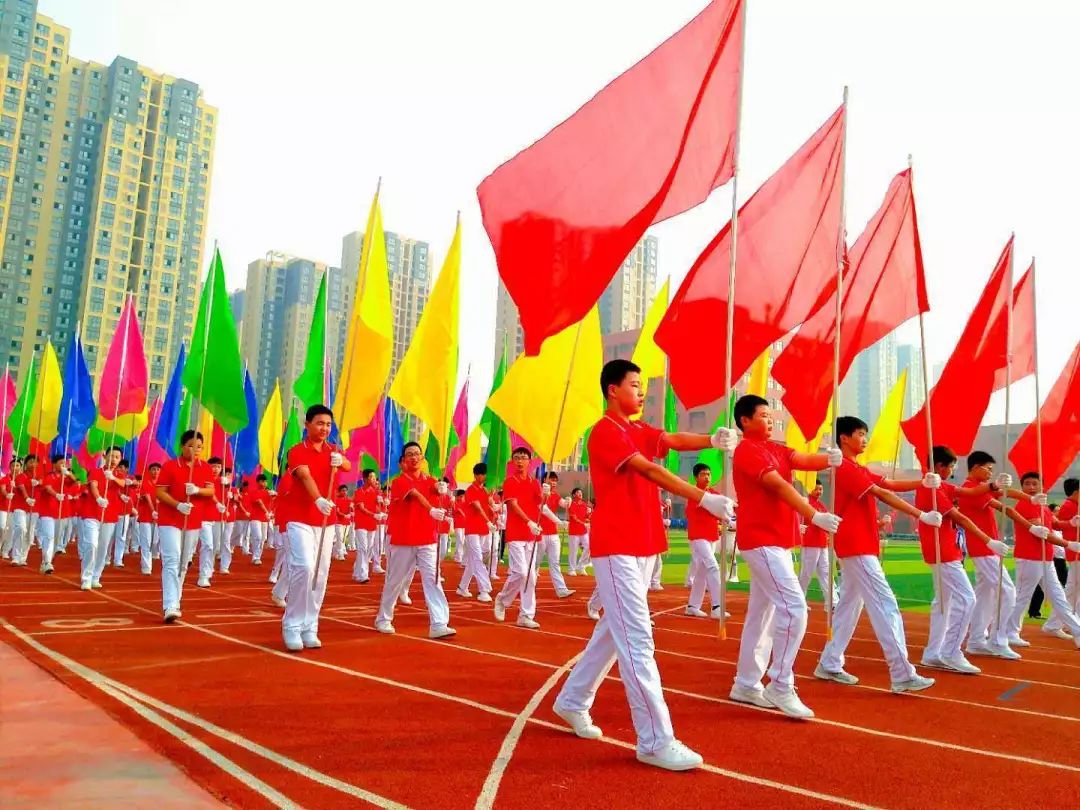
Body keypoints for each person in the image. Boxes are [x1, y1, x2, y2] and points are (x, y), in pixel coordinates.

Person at [552, 359, 738, 772]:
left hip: (641, 545)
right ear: (612, 390)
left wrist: (713, 437)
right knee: (637, 639)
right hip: (616, 546)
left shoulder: (638, 430)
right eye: (634, 385)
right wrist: (703, 497)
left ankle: (572, 700)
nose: (641, 392)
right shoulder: (604, 432)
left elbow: (670, 440)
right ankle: (654, 739)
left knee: (611, 633)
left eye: (641, 386)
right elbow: (651, 469)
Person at [726, 395, 843, 719]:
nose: (769, 420)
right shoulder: (747, 451)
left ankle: (747, 683)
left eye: (770, 416)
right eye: (763, 415)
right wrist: (812, 515)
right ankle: (781, 682)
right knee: (794, 608)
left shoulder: (777, 449)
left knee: (761, 617)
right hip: (761, 540)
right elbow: (777, 485)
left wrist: (831, 458)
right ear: (745, 420)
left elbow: (803, 460)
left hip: (776, 542)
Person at [816, 416, 942, 693]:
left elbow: (890, 485)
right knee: (885, 603)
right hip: (856, 545)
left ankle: (829, 661)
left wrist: (924, 482)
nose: (864, 439)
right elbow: (881, 494)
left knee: (849, 606)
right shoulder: (844, 468)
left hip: (859, 544)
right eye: (860, 434)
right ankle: (902, 672)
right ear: (844, 438)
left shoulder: (857, 468)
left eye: (865, 433)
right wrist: (920, 514)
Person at [915, 446, 1003, 675]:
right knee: (967, 598)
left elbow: (968, 493)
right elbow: (959, 517)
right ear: (939, 466)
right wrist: (987, 540)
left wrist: (993, 486)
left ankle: (933, 652)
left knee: (943, 604)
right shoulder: (932, 489)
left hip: (946, 550)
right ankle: (951, 652)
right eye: (951, 465)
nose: (953, 470)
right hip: (942, 552)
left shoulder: (941, 486)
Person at [278, 405, 350, 651]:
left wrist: (341, 460)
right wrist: (318, 499)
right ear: (307, 425)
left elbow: (350, 467)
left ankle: (311, 626)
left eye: (328, 425)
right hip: (299, 517)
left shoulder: (333, 451)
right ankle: (292, 625)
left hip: (325, 521)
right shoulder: (297, 451)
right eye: (320, 423)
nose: (324, 428)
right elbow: (305, 476)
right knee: (304, 567)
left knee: (320, 573)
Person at [374, 442, 454, 638]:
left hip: (427, 539)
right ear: (403, 460)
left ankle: (439, 623)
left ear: (422, 459)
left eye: (417, 454)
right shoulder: (399, 481)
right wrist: (431, 510)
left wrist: (443, 488)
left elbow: (437, 489)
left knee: (433, 580)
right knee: (395, 581)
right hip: (403, 539)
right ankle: (383, 618)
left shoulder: (430, 480)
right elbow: (416, 495)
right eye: (410, 454)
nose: (414, 457)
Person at [955, 451, 1030, 659]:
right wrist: (997, 486)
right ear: (975, 468)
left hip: (988, 547)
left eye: (991, 470)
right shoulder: (970, 488)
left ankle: (977, 640)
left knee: (985, 595)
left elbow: (1006, 495)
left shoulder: (980, 490)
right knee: (1007, 592)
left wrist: (1031, 498)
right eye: (987, 468)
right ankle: (998, 640)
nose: (990, 472)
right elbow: (1000, 502)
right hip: (983, 547)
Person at [1005, 472, 1080, 648]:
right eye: (1027, 484)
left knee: (1059, 596)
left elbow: (1054, 524)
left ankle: (1077, 631)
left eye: (1035, 484)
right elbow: (1043, 534)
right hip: (1029, 558)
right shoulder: (1025, 505)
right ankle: (1010, 632)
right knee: (1022, 597)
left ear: (1042, 487)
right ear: (1022, 487)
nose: (1031, 487)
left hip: (1045, 558)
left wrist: (1071, 523)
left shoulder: (1042, 506)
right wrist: (1068, 543)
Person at [155, 430, 215, 623]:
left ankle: (176, 599)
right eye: (191, 446)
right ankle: (170, 605)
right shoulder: (170, 466)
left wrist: (197, 490)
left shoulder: (205, 468)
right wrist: (178, 505)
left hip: (193, 520)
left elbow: (211, 490)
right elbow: (160, 492)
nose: (195, 450)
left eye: (199, 447)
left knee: (183, 563)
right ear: (182, 446)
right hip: (170, 519)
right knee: (171, 559)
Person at [494, 447, 545, 629]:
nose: (520, 461)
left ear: (529, 461)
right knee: (521, 572)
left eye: (523, 458)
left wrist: (545, 494)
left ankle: (525, 615)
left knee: (531, 576)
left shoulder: (534, 482)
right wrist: (529, 522)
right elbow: (513, 505)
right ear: (512, 461)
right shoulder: (510, 482)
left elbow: (540, 504)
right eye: (517, 458)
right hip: (516, 533)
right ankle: (503, 599)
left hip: (531, 536)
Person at [683, 463, 728, 620]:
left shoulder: (714, 494)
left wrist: (728, 516)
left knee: (702, 572)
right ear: (696, 477)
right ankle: (717, 606)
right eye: (703, 474)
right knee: (712, 567)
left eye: (708, 474)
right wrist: (717, 504)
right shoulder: (693, 493)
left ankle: (692, 606)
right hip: (698, 536)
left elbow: (721, 511)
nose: (707, 477)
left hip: (711, 536)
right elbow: (701, 509)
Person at [80, 447, 127, 589]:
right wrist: (99, 498)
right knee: (91, 545)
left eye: (117, 457)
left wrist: (113, 477)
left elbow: (124, 484)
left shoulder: (120, 475)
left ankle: (96, 576)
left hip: (110, 515)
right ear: (105, 456)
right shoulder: (95, 471)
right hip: (92, 513)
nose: (113, 459)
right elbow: (93, 486)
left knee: (103, 548)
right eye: (111, 456)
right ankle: (86, 577)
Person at [457, 463, 496, 602]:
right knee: (478, 558)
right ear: (475, 475)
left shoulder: (485, 491)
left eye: (484, 474)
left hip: (482, 530)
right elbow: (478, 508)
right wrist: (488, 521)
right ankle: (484, 589)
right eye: (481, 474)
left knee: (474, 560)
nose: (483, 477)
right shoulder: (471, 490)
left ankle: (462, 587)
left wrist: (496, 508)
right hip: (472, 529)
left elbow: (489, 506)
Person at [797, 482, 837, 608]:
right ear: (810, 489)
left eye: (821, 489)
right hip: (810, 543)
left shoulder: (820, 505)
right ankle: (799, 601)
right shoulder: (806, 503)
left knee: (826, 573)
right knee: (806, 574)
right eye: (816, 489)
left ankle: (832, 602)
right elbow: (797, 519)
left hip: (822, 543)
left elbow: (826, 523)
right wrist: (799, 526)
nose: (819, 491)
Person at [35, 455, 75, 574]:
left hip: (61, 512)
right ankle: (47, 562)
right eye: (61, 463)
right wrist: (56, 494)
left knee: (57, 539)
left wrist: (67, 473)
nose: (64, 465)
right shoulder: (49, 476)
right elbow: (47, 488)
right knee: (49, 536)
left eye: (65, 463)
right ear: (54, 464)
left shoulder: (66, 477)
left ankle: (46, 562)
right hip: (47, 511)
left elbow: (74, 481)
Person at [538, 471, 574, 598]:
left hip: (553, 534)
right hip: (540, 534)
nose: (553, 482)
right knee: (535, 563)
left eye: (555, 480)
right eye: (551, 480)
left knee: (555, 563)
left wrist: (568, 501)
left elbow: (563, 504)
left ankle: (561, 589)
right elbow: (544, 510)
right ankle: (526, 586)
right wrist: (559, 521)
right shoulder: (539, 494)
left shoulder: (556, 495)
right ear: (545, 480)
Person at [1052, 479, 1080, 621]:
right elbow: (1058, 526)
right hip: (1076, 552)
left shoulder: (1073, 505)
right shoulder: (1070, 506)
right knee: (1072, 590)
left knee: (1072, 590)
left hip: (1075, 552)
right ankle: (1059, 622)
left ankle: (1056, 623)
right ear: (1076, 492)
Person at [351, 469, 381, 583]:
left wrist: (382, 504)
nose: (374, 479)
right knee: (362, 548)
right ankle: (363, 575)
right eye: (371, 477)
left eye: (374, 477)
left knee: (368, 549)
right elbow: (362, 508)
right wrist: (374, 515)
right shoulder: (359, 492)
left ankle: (357, 571)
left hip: (371, 524)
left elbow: (377, 508)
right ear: (365, 479)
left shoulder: (375, 492)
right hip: (361, 524)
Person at [8, 456, 36, 567]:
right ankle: (15, 556)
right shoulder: (21, 475)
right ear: (26, 464)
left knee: (29, 534)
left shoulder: (39, 476)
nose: (33, 464)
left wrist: (39, 482)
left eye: (35, 462)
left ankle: (23, 557)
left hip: (34, 509)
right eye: (31, 462)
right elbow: (21, 486)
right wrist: (27, 498)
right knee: (21, 528)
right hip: (20, 506)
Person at [136, 463, 161, 575]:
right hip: (146, 516)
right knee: (146, 541)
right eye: (153, 469)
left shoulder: (161, 484)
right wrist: (153, 511)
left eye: (157, 469)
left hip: (159, 518)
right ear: (149, 471)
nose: (155, 472)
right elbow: (148, 498)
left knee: (155, 541)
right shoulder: (145, 482)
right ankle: (146, 567)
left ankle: (148, 561)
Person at [248, 474, 273, 565]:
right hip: (255, 517)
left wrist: (273, 497)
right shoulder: (254, 492)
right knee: (258, 536)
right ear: (258, 482)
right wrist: (267, 512)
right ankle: (255, 557)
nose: (264, 483)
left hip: (265, 518)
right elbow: (259, 503)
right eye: (262, 481)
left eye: (265, 481)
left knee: (263, 538)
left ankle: (257, 556)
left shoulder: (269, 492)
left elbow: (272, 504)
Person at [566, 488, 590, 576]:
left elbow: (586, 518)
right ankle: (571, 569)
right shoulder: (571, 504)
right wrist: (584, 523)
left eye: (581, 492)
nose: (580, 493)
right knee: (574, 551)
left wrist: (589, 513)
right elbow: (574, 518)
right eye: (578, 492)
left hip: (583, 531)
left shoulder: (584, 504)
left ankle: (581, 567)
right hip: (574, 532)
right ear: (573, 495)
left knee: (588, 547)